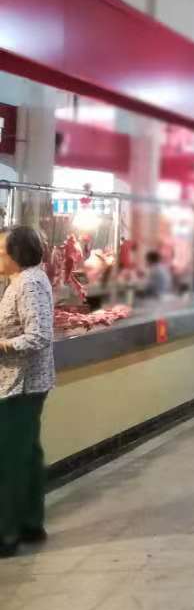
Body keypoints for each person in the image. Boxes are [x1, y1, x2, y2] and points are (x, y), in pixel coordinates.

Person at [0, 226, 56, 558]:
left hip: (20, 386)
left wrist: (3, 345)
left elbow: (39, 336)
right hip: (23, 383)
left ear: (16, 253)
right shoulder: (20, 281)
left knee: (8, 459)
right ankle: (31, 523)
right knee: (27, 453)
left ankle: (6, 533)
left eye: (0, 251)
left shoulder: (29, 284)